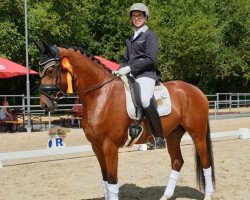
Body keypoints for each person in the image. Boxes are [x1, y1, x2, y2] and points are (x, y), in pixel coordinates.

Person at [113, 3, 165, 149]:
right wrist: (119, 70)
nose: (137, 18)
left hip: (146, 74)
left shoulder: (150, 35)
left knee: (144, 99)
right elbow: (124, 59)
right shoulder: (130, 39)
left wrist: (130, 68)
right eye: (134, 16)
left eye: (139, 16)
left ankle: (159, 137)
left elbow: (150, 59)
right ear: (131, 19)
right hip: (131, 75)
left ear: (145, 17)